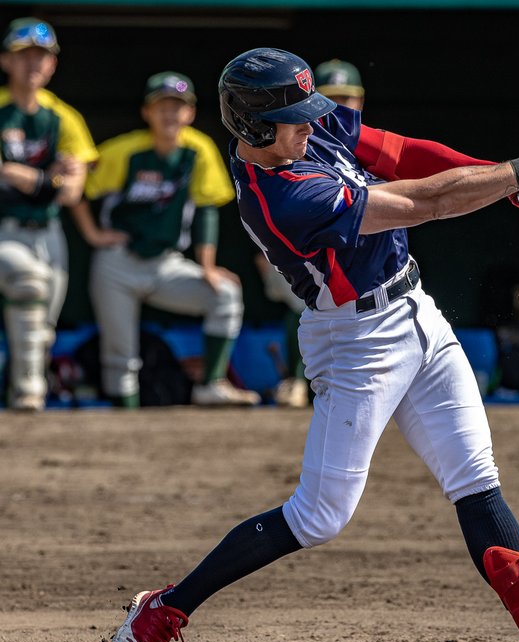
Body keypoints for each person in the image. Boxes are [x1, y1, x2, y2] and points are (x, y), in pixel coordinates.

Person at [110, 48, 519, 642]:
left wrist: (505, 184)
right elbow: (423, 203)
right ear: (255, 126)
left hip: (419, 313)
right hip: (356, 344)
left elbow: (407, 156)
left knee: (475, 479)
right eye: (293, 118)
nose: (310, 125)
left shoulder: (309, 128)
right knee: (321, 516)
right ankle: (165, 608)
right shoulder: (282, 200)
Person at [71, 72, 261, 408]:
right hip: (118, 261)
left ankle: (210, 384)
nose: (170, 114)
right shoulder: (124, 150)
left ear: (189, 112)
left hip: (166, 263)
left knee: (225, 294)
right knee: (121, 355)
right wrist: (92, 234)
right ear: (147, 112)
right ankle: (123, 426)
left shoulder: (198, 149)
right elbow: (76, 187)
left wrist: (207, 266)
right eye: (162, 106)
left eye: (178, 107)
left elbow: (206, 209)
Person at [254, 59, 366, 408]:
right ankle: (297, 378)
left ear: (360, 102)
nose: (339, 107)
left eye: (346, 98)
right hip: (309, 253)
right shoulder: (298, 143)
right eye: (330, 98)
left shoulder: (364, 142)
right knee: (303, 298)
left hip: (357, 253)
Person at [0, 17, 96, 411]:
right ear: (6, 60)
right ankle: (28, 392)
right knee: (29, 284)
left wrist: (26, 177)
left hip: (48, 233)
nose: (34, 64)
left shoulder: (64, 117)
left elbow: (72, 190)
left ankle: (23, 403)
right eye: (24, 56)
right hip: (4, 229)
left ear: (53, 64)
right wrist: (48, 178)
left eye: (42, 56)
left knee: (43, 331)